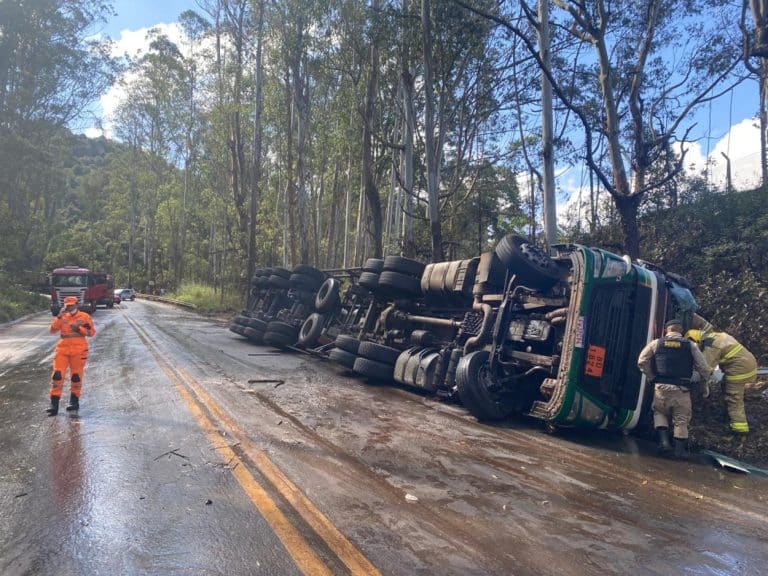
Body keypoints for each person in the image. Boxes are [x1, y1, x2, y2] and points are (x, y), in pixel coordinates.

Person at [637, 319, 711, 458]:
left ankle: (664, 443)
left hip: (660, 387)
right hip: (681, 388)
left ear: (666, 330)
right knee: (681, 418)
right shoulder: (691, 346)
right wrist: (704, 383)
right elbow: (704, 368)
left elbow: (641, 361)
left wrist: (651, 376)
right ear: (681, 331)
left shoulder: (656, 343)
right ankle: (679, 450)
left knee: (659, 412)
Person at [685, 329, 757, 435]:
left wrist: (694, 380)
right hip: (748, 365)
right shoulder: (715, 336)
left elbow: (705, 370)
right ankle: (727, 416)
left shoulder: (710, 346)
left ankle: (739, 429)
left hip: (739, 370)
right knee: (725, 386)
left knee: (733, 397)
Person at [47, 296, 96, 416]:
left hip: (79, 350)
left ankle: (74, 401)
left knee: (76, 376)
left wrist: (79, 329)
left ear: (77, 304)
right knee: (57, 375)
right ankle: (54, 404)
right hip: (62, 349)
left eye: (72, 305)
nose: (70, 307)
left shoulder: (84, 317)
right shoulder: (62, 316)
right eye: (68, 306)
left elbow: (91, 333)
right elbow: (52, 330)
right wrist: (58, 317)